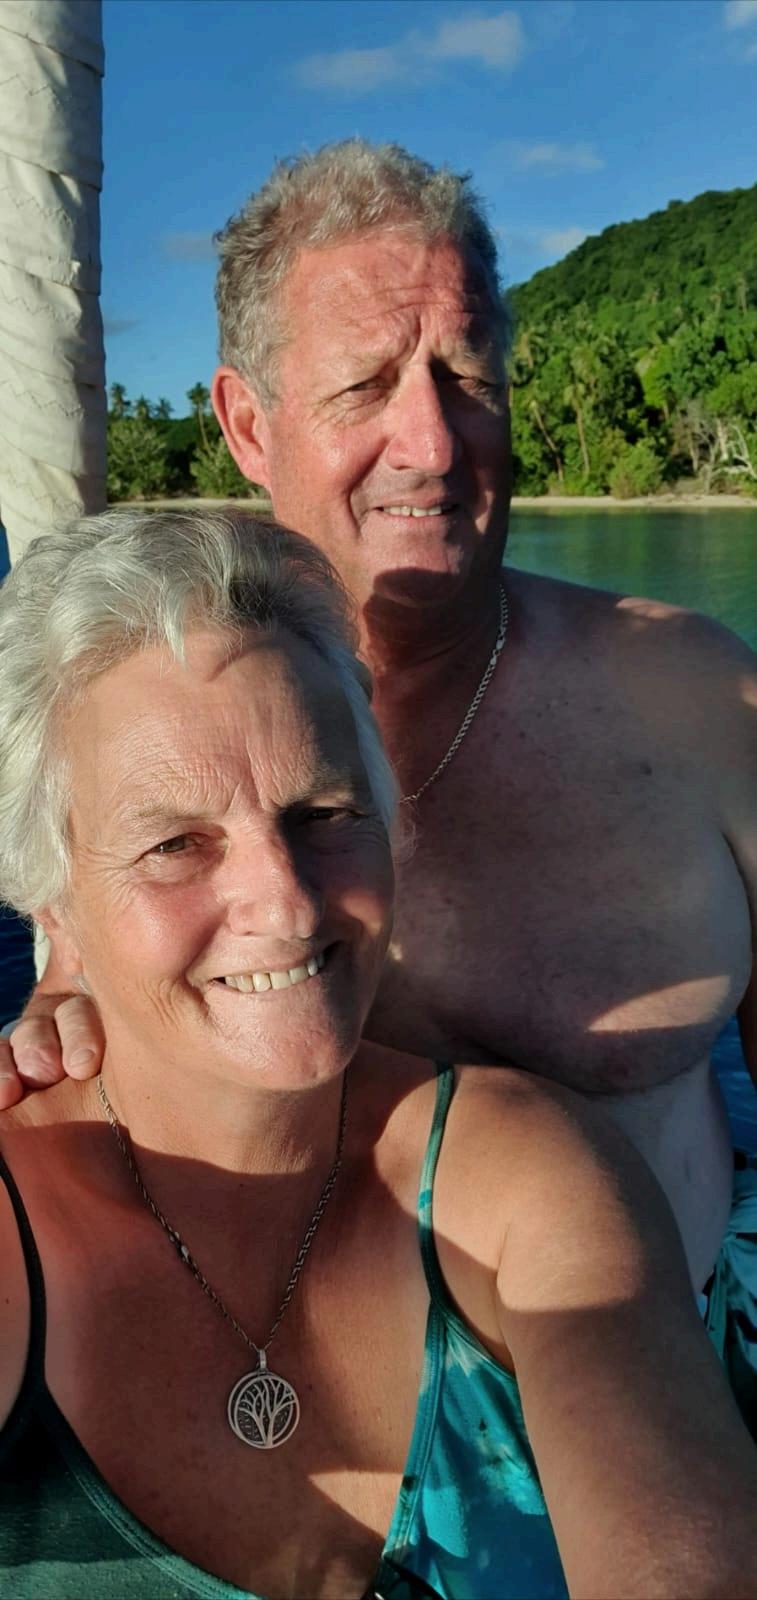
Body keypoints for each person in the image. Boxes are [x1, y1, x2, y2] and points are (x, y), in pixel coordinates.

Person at [4, 141, 756, 1428]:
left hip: (689, 1369)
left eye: (466, 375)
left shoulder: (699, 700)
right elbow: (76, 1014)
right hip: (311, 1454)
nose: (432, 438)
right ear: (248, 424)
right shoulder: (137, 743)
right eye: (364, 383)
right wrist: (57, 1020)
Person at [0, 506, 756, 1600]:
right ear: (52, 902)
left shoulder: (525, 1181)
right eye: (174, 843)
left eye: (322, 812)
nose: (285, 902)